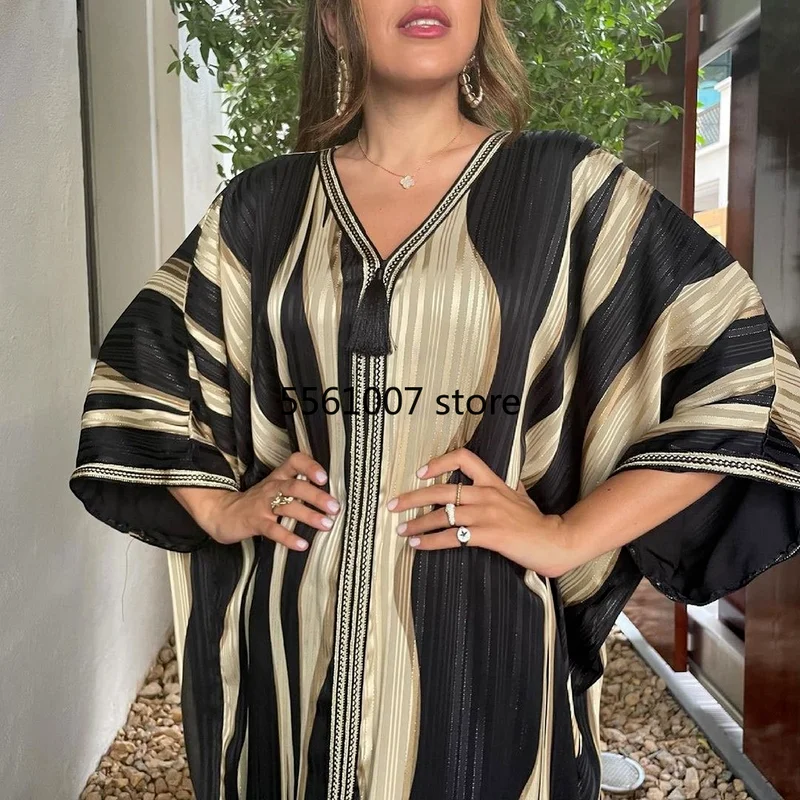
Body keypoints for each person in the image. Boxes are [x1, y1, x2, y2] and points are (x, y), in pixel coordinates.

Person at [68, 1, 800, 798]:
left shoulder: (564, 190)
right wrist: (218, 509)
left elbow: (738, 366)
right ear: (337, 20)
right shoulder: (261, 209)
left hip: (485, 648)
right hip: (287, 648)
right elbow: (145, 370)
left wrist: (567, 535)